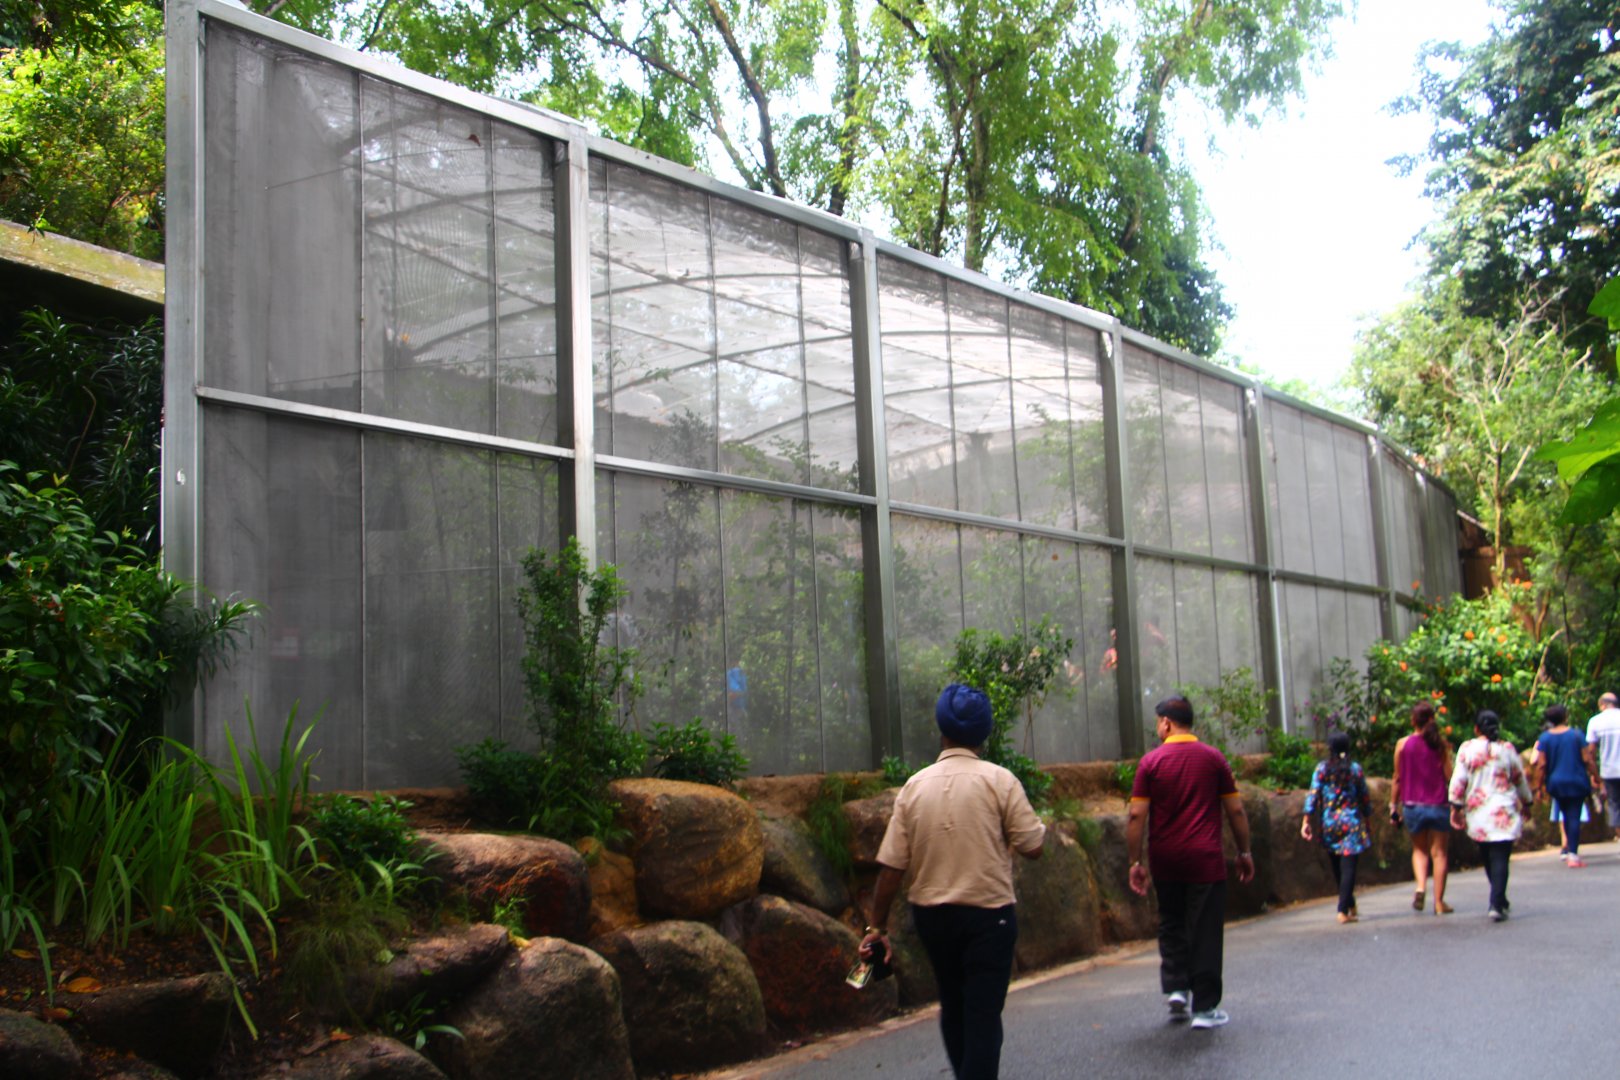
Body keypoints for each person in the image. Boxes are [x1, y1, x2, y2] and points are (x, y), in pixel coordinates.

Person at [861, 684, 1045, 1079]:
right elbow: (1033, 846)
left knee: (953, 1002)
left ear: (941, 729)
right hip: (989, 918)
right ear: (985, 733)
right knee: (982, 1013)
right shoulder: (1001, 781)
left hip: (932, 919)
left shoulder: (914, 786)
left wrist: (876, 927)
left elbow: (892, 867)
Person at [1126, 695, 1255, 1030]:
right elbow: (1236, 810)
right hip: (1205, 860)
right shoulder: (1214, 759)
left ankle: (1177, 988)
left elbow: (1136, 815)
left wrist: (1134, 861)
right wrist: (1244, 852)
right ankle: (1205, 1007)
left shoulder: (1150, 763)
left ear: (1167, 723)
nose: (1158, 728)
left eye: (1158, 722)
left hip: (1165, 859)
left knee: (1172, 922)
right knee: (1205, 930)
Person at [1448, 710, 1532, 922]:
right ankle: (1498, 900)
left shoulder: (1467, 749)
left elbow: (1459, 779)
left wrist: (1455, 807)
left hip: (1480, 811)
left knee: (1488, 856)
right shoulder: (1507, 749)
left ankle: (1497, 900)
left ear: (1477, 729)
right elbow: (1519, 778)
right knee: (1501, 857)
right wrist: (1527, 802)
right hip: (1504, 810)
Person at [1389, 701, 1454, 914]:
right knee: (1439, 854)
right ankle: (1438, 902)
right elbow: (1449, 777)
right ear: (1432, 720)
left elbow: (1397, 778)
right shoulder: (1440, 745)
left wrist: (1393, 806)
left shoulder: (1402, 744)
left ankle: (1420, 887)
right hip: (1438, 805)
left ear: (1412, 721)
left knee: (1419, 850)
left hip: (1412, 805)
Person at [1301, 732, 1371, 923]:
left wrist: (1306, 821)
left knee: (1337, 868)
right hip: (1352, 824)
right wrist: (1368, 819)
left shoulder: (1322, 769)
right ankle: (1342, 910)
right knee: (1348, 868)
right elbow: (1364, 797)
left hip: (1329, 824)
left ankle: (1349, 904)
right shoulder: (1355, 769)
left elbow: (1313, 795)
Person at [1533, 703, 1593, 867]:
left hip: (1556, 783)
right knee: (1574, 815)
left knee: (1565, 815)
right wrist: (1597, 778)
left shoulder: (1545, 738)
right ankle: (1573, 853)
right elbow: (1587, 759)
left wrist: (1538, 787)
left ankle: (1567, 850)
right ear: (1565, 717)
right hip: (1577, 781)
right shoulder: (1576, 734)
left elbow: (1542, 765)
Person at [1585, 692, 1620, 840]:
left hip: (1609, 772)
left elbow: (1590, 751)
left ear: (1603, 705)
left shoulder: (1595, 721)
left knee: (1615, 806)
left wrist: (1594, 775)